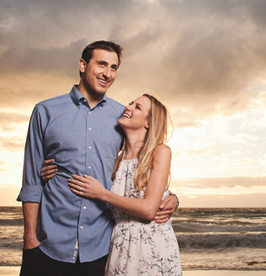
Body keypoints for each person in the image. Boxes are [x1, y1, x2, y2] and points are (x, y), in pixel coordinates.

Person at [17, 40, 178, 276]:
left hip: (101, 248)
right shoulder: (45, 111)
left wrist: (171, 197)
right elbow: (31, 182)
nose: (108, 73)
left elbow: (143, 163)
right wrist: (30, 238)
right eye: (102, 64)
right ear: (83, 65)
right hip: (49, 244)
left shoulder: (120, 117)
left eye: (113, 68)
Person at [68, 94, 181, 276]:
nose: (127, 107)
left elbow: (149, 209)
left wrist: (102, 194)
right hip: (119, 247)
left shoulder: (159, 152)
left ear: (148, 123)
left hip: (151, 247)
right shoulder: (116, 159)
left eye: (137, 107)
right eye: (130, 103)